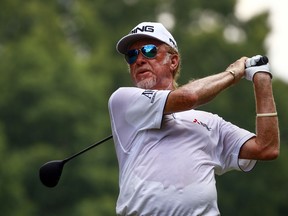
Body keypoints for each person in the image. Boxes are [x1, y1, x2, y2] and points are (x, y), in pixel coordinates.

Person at [108, 21, 280, 216]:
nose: (139, 60)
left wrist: (262, 79)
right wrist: (233, 73)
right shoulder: (122, 100)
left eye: (149, 51)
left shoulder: (210, 122)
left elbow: (267, 147)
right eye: (132, 55)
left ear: (173, 61)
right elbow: (188, 97)